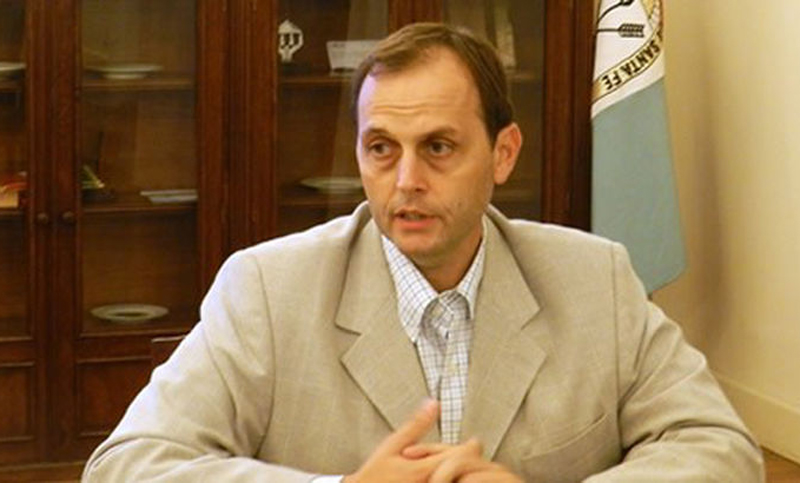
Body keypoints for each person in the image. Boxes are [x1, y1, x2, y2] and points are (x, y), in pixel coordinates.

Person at [82, 23, 764, 482]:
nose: (405, 180)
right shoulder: (268, 286)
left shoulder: (593, 279)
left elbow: (721, 447)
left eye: (438, 147)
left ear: (503, 153)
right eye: (381, 148)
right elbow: (128, 464)